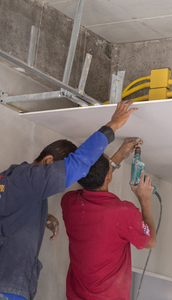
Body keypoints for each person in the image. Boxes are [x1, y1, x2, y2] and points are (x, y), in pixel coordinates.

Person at [0, 100, 138, 300]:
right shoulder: (29, 179)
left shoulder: (10, 177)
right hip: (7, 287)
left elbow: (9, 213)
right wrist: (113, 125)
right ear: (48, 161)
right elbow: (79, 165)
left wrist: (39, 217)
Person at [61, 140, 157, 300]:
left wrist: (118, 156)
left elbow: (92, 178)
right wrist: (145, 199)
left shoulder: (69, 202)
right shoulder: (123, 213)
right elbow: (151, 241)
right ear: (108, 176)